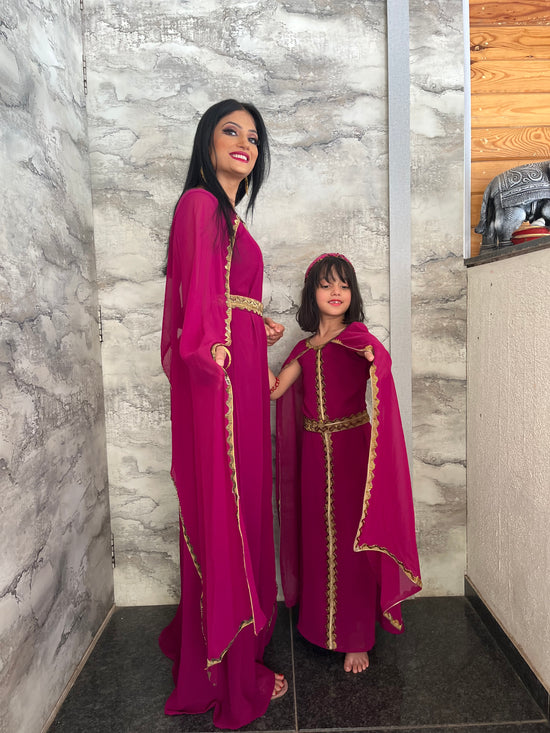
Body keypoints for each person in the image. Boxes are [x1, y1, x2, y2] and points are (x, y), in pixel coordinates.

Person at [159, 99, 287, 730]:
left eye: (254, 138)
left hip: (241, 371)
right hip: (222, 381)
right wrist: (217, 351)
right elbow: (198, 305)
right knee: (228, 508)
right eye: (230, 131)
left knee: (245, 504)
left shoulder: (228, 214)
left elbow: (224, 295)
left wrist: (257, 329)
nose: (245, 143)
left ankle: (234, 644)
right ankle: (228, 674)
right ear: (206, 143)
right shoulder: (199, 203)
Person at [269, 253, 422, 674]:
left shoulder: (356, 338)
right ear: (312, 294)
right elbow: (274, 390)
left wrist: (375, 358)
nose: (336, 292)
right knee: (318, 537)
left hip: (353, 451)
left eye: (343, 285)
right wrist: (254, 345)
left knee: (354, 542)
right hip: (313, 455)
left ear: (352, 294)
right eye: (326, 284)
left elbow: (379, 361)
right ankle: (318, 625)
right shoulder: (303, 349)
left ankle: (356, 637)